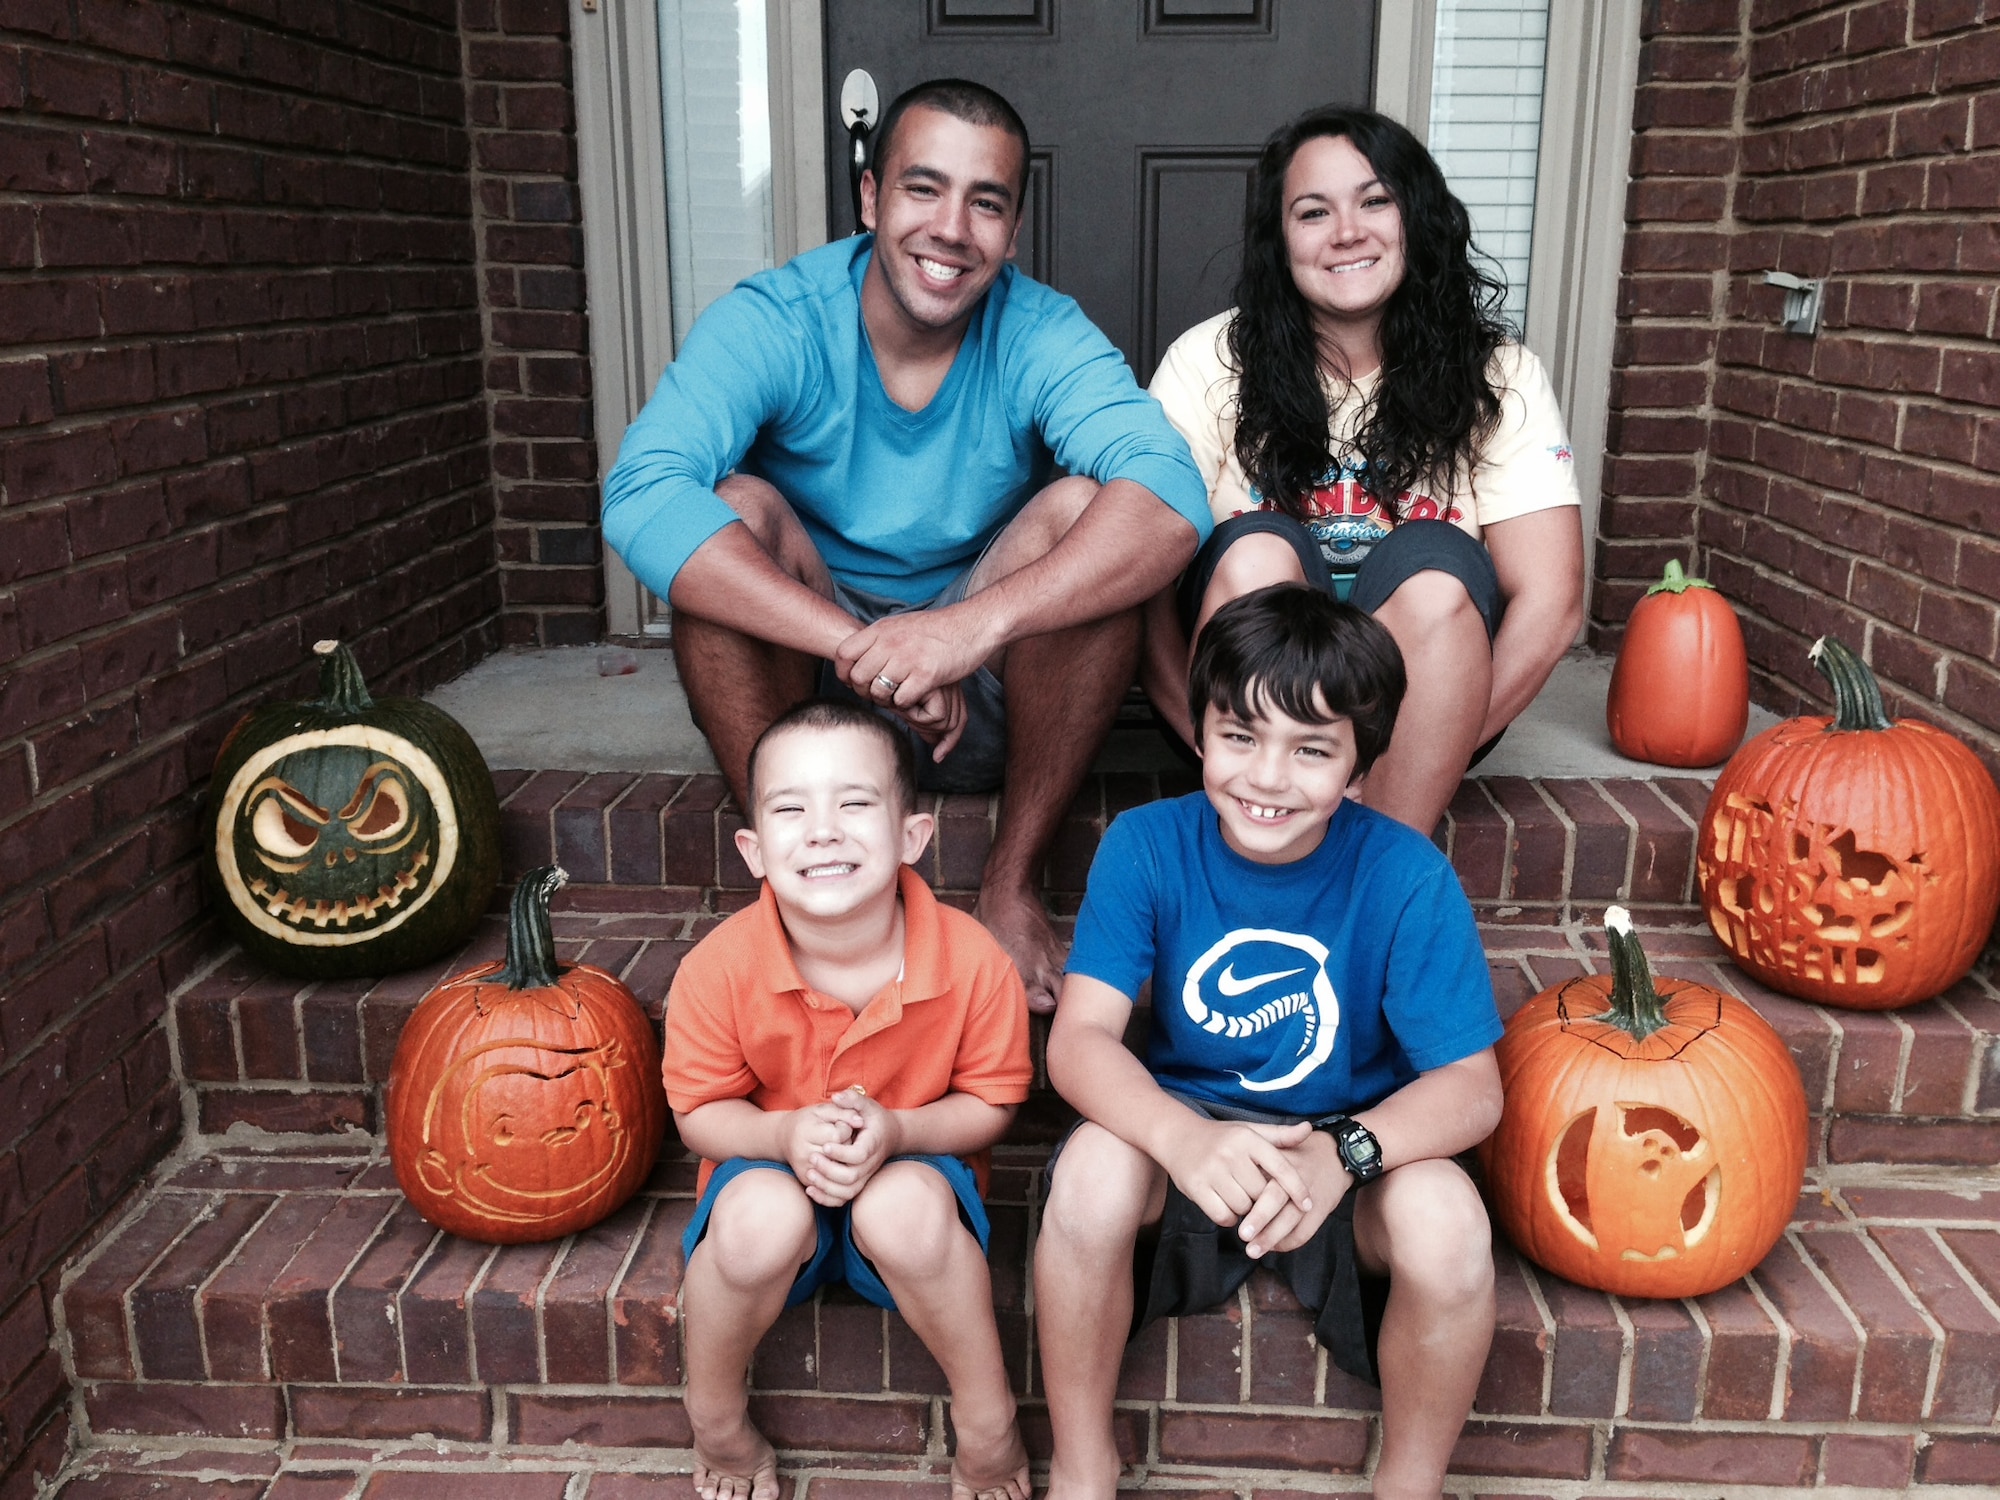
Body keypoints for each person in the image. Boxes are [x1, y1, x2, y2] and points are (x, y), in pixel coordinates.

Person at [604, 78, 1210, 1011]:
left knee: (1090, 509)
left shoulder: (1042, 331)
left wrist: (961, 632)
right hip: (815, 692)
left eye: (987, 202)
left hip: (983, 693)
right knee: (734, 508)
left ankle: (1012, 880)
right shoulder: (778, 319)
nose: (952, 228)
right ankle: (794, 893)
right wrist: (862, 650)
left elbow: (1171, 500)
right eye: (923, 188)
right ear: (871, 199)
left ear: (1012, 232)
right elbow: (643, 493)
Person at [1035, 586, 1505, 1500]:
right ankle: (1083, 1464)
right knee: (1091, 1176)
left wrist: (1346, 1154)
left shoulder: (1406, 874)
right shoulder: (1145, 846)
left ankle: (1409, 1487)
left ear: (1360, 769)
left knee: (1448, 1222)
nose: (1267, 777)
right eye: (1241, 736)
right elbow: (1079, 1044)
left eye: (1312, 750)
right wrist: (1180, 1136)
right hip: (1191, 1141)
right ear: (1199, 735)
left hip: (1347, 1146)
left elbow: (1471, 1089)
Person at [1142, 105, 1584, 837]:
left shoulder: (1499, 374)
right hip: (1241, 724)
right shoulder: (1209, 360)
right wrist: (1193, 730)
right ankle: (1262, 826)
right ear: (1280, 239)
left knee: (1435, 567)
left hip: (1423, 713)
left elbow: (1552, 601)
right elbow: (1144, 577)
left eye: (1375, 200)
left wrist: (1412, 751)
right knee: (1255, 548)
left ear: (1417, 216)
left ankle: (1375, 872)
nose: (1348, 231)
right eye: (1314, 212)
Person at [662, 698, 1034, 1500]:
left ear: (913, 837)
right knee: (761, 1218)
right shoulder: (717, 969)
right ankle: (717, 1418)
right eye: (791, 809)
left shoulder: (974, 962)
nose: (823, 830)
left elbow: (994, 1101)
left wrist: (899, 1130)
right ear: (754, 850)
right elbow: (699, 1116)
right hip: (769, 1176)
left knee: (897, 1207)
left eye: (855, 804)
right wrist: (788, 1134)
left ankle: (987, 1418)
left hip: (913, 1186)